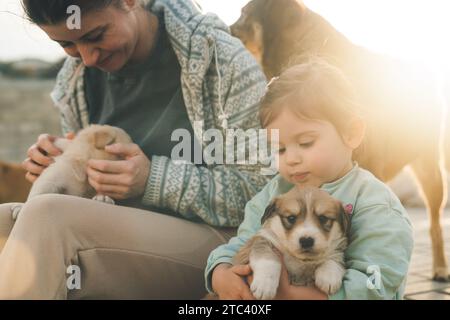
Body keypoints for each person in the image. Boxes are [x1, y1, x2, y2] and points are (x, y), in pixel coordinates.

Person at [0, 0, 269, 299]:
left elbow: (260, 189)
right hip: (116, 237)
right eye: (67, 45)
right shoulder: (74, 81)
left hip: (217, 248)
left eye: (95, 35)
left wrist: (154, 179)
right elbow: (86, 204)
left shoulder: (221, 59)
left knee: (47, 217)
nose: (87, 58)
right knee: (3, 221)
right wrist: (63, 164)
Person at [205, 58, 414, 300]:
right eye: (280, 149)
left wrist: (293, 295)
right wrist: (219, 272)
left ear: (352, 133)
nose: (291, 159)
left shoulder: (375, 203)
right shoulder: (276, 191)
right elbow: (244, 241)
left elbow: (378, 281)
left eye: (305, 143)